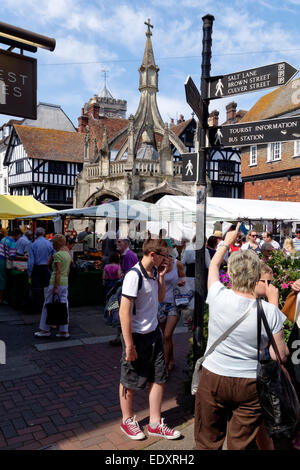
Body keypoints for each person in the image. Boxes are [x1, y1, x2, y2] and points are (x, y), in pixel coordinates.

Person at [194, 224, 288, 450]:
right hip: (249, 383)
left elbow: (214, 265)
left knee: (207, 439)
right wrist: (273, 304)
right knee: (241, 443)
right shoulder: (269, 311)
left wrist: (227, 241)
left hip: (214, 376)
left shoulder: (218, 295)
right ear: (257, 276)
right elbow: (279, 355)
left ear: (232, 273)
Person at [119, 238, 181, 440]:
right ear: (152, 254)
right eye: (164, 255)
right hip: (136, 336)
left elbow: (160, 298)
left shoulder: (154, 272)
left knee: (158, 377)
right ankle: (127, 420)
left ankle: (155, 423)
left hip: (154, 333)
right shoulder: (133, 275)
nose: (167, 259)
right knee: (129, 378)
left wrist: (162, 276)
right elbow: (124, 312)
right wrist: (129, 344)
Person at [34, 234, 72, 338]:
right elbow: (67, 270)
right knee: (64, 306)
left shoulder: (58, 255)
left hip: (56, 282)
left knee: (47, 305)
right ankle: (64, 331)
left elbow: (58, 272)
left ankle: (44, 329)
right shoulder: (68, 254)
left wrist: (55, 287)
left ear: (56, 243)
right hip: (65, 283)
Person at [158, 255, 186, 374]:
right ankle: (171, 360)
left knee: (167, 335)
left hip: (174, 304)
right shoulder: (157, 265)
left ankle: (164, 367)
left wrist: (181, 283)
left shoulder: (177, 264)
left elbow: (185, 280)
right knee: (166, 337)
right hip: (160, 304)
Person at [27, 227, 54, 314]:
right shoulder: (49, 243)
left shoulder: (34, 244)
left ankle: (38, 307)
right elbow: (52, 255)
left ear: (36, 234)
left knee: (37, 289)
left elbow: (31, 261)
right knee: (46, 288)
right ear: (44, 233)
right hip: (46, 267)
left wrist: (29, 272)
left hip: (37, 268)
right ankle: (46, 306)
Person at [0, 229, 22, 304]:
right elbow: (12, 256)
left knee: (1, 278)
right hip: (3, 262)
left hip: (1, 259)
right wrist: (23, 257)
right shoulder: (12, 242)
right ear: (17, 235)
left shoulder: (4, 238)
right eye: (20, 235)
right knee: (3, 280)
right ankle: (1, 299)